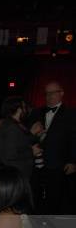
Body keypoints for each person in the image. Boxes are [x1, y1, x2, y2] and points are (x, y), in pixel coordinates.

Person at [27, 81, 76, 214]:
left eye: (53, 93)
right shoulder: (36, 112)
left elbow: (74, 139)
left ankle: (54, 227)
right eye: (47, 93)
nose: (49, 96)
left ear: (61, 93)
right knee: (35, 198)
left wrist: (72, 161)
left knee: (56, 199)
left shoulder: (71, 114)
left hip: (58, 163)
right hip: (36, 163)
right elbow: (27, 135)